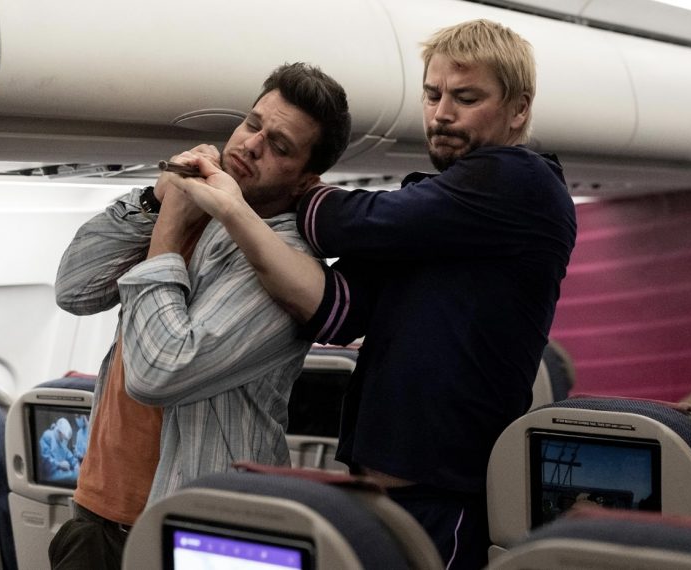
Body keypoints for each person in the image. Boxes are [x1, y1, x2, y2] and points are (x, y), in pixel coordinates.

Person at [171, 19, 576, 569]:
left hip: (445, 500)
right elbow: (335, 311)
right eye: (432, 95)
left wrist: (275, 193)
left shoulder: (522, 183)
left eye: (466, 98)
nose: (442, 113)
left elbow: (349, 222)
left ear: (519, 109)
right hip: (375, 495)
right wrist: (238, 211)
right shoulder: (439, 210)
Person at [48, 62, 351, 569]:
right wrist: (154, 199)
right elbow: (74, 290)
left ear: (305, 181)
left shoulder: (284, 263)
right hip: (96, 514)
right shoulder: (192, 208)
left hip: (201, 533)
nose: (252, 145)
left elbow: (159, 371)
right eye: (253, 124)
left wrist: (168, 227)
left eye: (280, 146)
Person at [39, 417, 78, 482]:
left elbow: (70, 456)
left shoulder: (62, 443)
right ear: (59, 432)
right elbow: (45, 460)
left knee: (78, 474)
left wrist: (76, 464)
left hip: (61, 473)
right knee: (75, 476)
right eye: (63, 437)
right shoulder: (48, 436)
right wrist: (59, 464)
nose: (64, 440)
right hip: (50, 475)